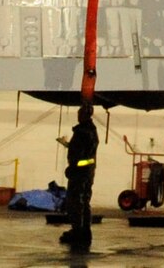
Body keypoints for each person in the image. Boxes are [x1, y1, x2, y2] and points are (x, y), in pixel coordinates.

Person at [57, 103, 99, 250]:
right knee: (85, 202)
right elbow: (89, 155)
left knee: (75, 203)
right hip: (88, 173)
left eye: (79, 114)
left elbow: (80, 157)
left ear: (83, 115)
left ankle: (77, 231)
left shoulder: (82, 132)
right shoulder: (93, 131)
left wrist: (72, 168)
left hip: (80, 174)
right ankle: (85, 231)